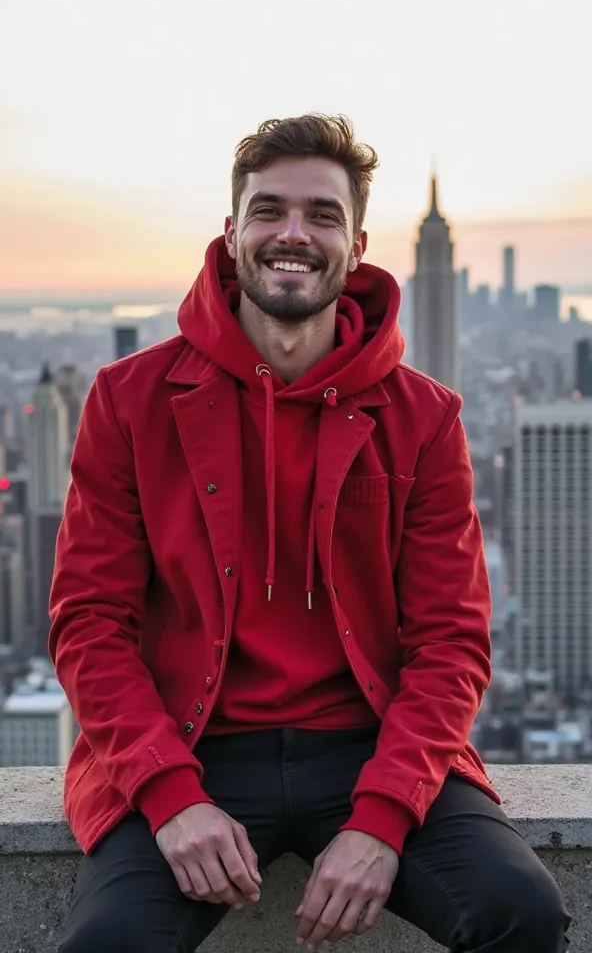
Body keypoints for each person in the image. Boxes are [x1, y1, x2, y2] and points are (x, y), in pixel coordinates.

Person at [50, 114, 570, 953]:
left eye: (322, 215)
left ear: (356, 245)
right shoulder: (127, 401)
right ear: (232, 233)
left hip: (369, 739)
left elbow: (451, 640)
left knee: (522, 910)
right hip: (192, 741)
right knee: (109, 943)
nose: (294, 233)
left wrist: (383, 816)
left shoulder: (424, 416)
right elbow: (89, 624)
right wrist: (170, 795)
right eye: (269, 211)